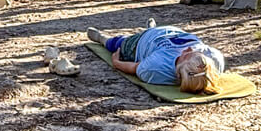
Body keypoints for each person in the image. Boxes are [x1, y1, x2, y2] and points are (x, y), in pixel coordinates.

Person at [86, 23, 225, 93]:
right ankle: (152, 27)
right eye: (195, 53)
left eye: (187, 54)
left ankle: (103, 39)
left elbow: (135, 68)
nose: (189, 49)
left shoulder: (156, 68)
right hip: (171, 31)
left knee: (119, 43)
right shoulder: (214, 58)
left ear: (178, 69)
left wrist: (116, 62)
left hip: (140, 43)